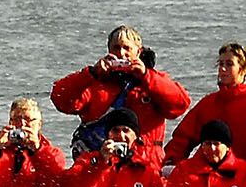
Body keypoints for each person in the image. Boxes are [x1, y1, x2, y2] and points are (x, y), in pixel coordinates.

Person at [52, 25, 191, 155]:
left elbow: (180, 105)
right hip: (102, 159)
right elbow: (60, 99)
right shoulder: (96, 83)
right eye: (116, 48)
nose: (121, 54)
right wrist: (91, 73)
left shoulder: (154, 82)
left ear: (139, 51)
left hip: (144, 163)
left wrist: (145, 76)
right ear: (109, 51)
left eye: (127, 48)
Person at [163, 42, 246, 172]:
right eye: (220, 64)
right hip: (211, 178)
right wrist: (171, 164)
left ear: (244, 69)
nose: (222, 69)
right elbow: (182, 139)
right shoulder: (208, 103)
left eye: (229, 64)